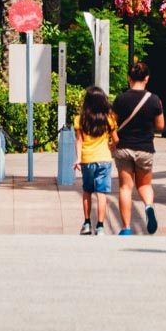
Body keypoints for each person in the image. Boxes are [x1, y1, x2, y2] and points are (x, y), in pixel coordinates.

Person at [112, 61, 164, 235]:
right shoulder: (154, 99)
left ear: (128, 78)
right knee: (145, 185)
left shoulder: (121, 99)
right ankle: (148, 206)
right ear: (147, 78)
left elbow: (111, 122)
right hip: (145, 148)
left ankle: (126, 228)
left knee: (125, 188)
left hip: (124, 147)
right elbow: (160, 125)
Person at [75, 86, 117, 235]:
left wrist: (78, 158)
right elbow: (116, 139)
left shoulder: (80, 119)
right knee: (101, 193)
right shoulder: (109, 119)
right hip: (104, 159)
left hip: (87, 159)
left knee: (87, 191)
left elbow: (79, 141)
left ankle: (87, 223)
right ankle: (100, 226)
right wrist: (112, 146)